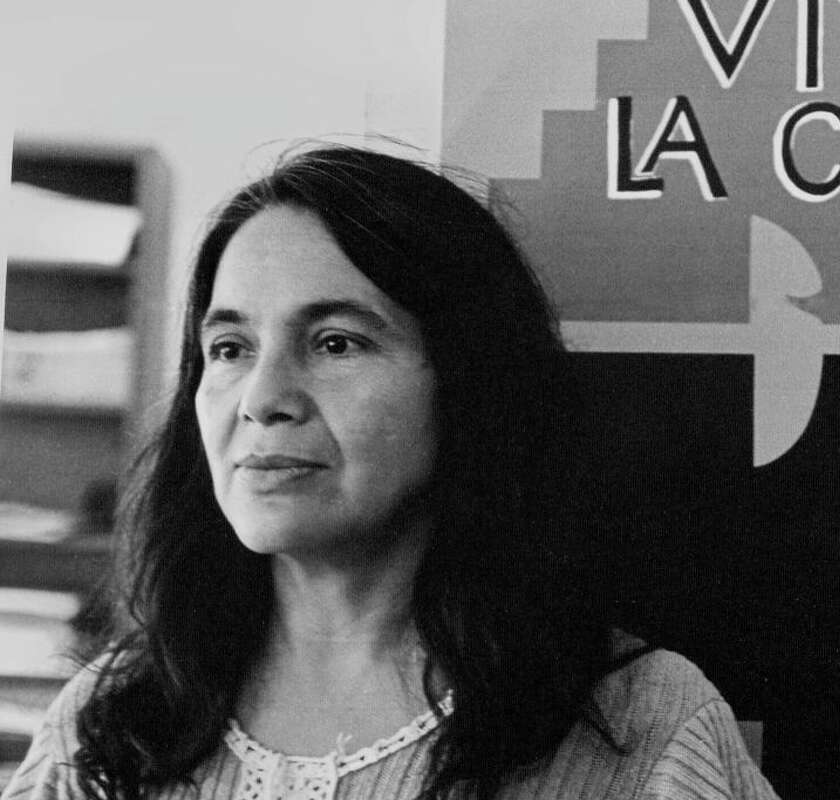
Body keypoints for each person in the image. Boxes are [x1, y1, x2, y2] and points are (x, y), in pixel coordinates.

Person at [1, 144, 779, 800]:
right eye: (231, 348)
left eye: (336, 342)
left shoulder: (639, 730)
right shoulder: (110, 726)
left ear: (466, 382)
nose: (263, 399)